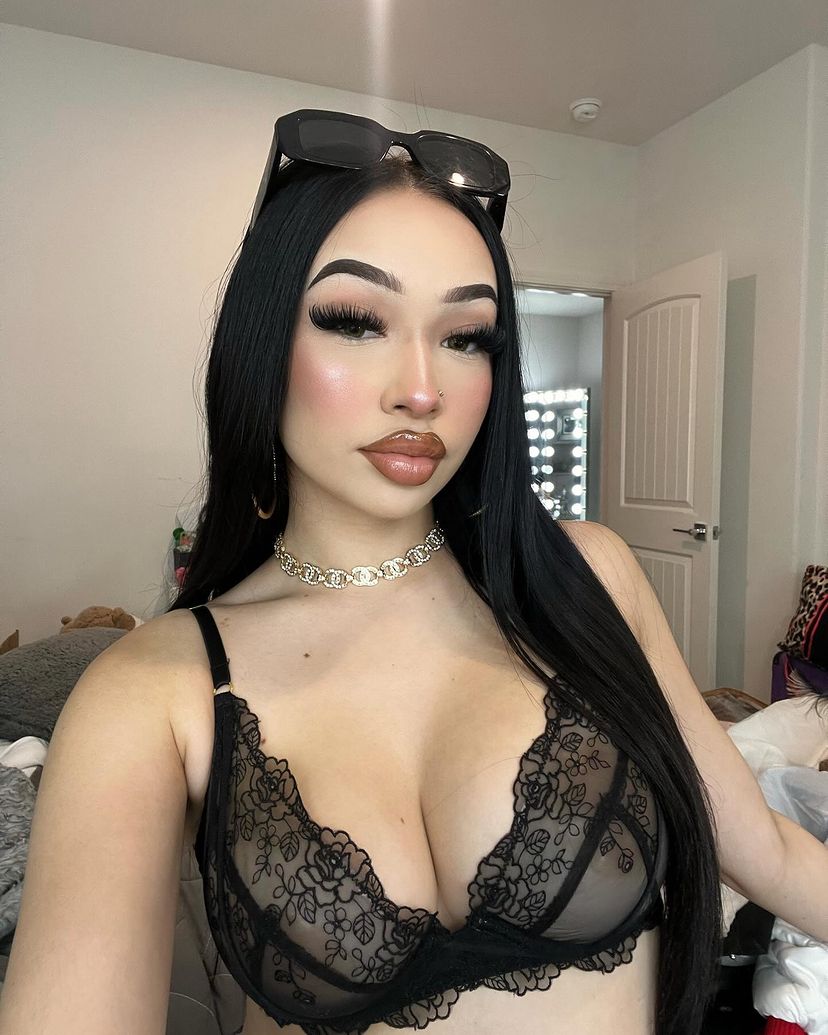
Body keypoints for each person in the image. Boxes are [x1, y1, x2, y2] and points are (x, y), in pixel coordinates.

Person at [2, 110, 826, 1035]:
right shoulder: (152, 690)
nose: (423, 388)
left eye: (466, 336)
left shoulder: (585, 576)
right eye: (355, 322)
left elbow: (769, 851)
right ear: (263, 342)